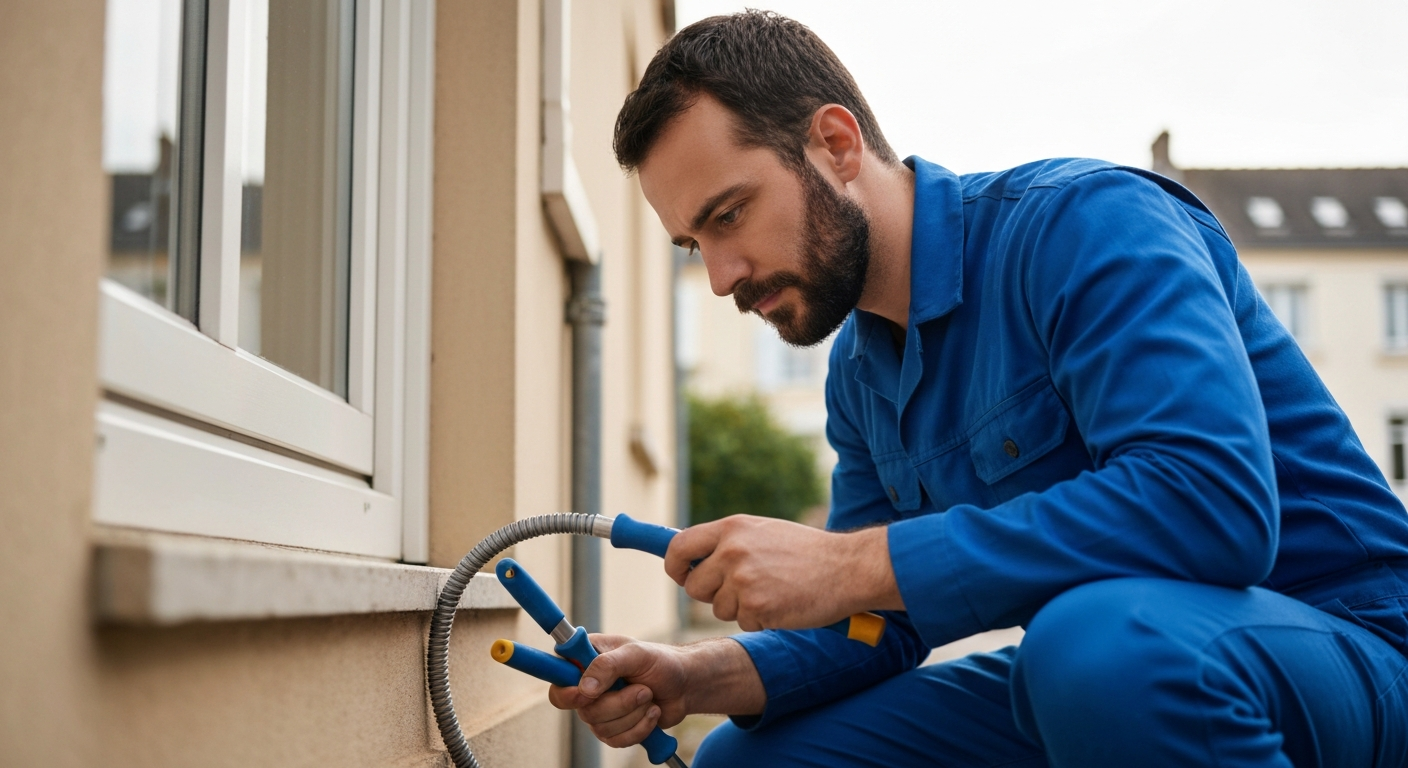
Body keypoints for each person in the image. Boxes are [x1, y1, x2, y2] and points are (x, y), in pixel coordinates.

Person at [549, 11, 1408, 767]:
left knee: (1097, 648)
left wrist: (849, 560)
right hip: (1098, 674)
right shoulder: (858, 373)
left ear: (837, 146)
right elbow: (875, 626)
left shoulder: (1086, 226)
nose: (723, 277)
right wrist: (696, 674)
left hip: (1341, 643)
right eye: (696, 244)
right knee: (753, 757)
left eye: (730, 214)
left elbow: (1213, 509)